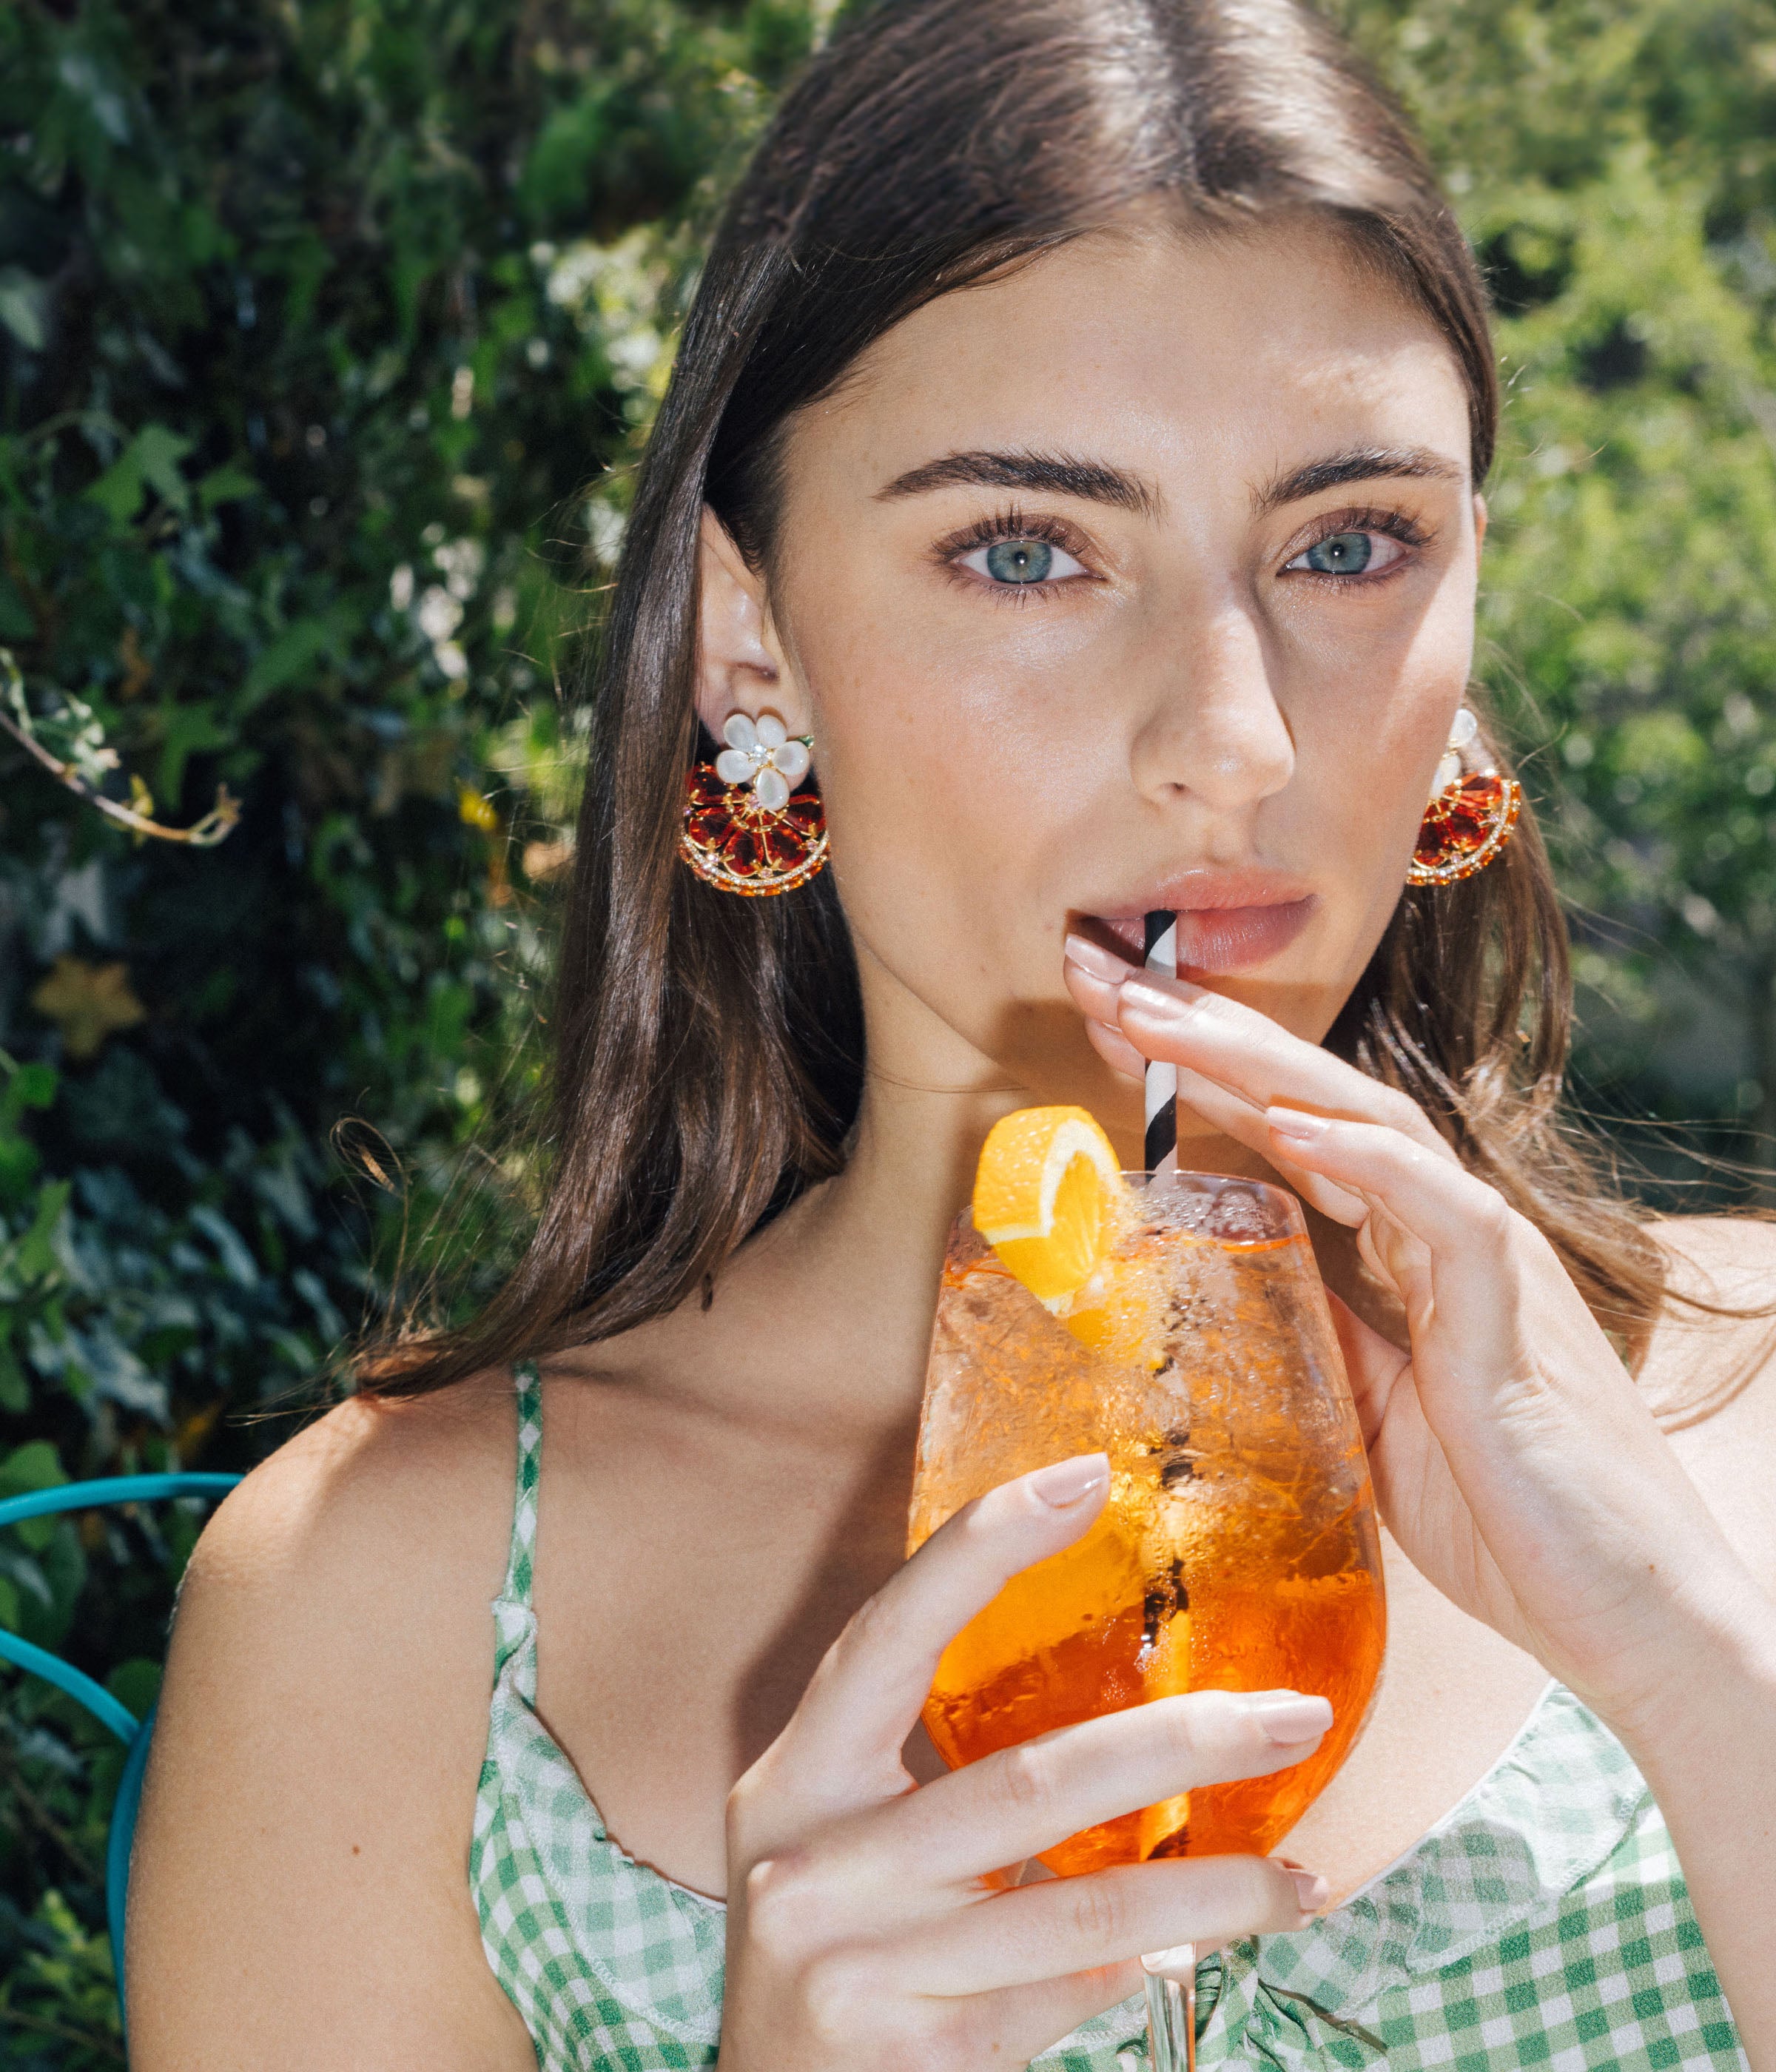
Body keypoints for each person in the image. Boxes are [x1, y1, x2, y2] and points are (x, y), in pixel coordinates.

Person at [127, 2, 1776, 2067]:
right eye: (1028, 554)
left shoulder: (1754, 1402)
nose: (1236, 747)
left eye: (1349, 546)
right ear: (755, 636)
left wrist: (1712, 1678)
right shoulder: (386, 1611)